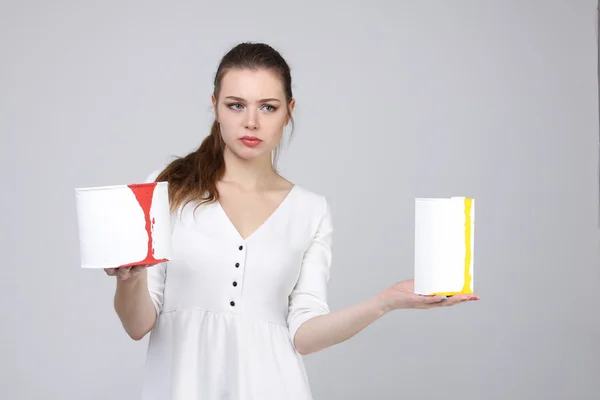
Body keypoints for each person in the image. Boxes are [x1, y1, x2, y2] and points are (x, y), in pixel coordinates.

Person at [104, 42, 479, 400]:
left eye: (267, 107)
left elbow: (304, 334)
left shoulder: (310, 210)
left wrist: (385, 302)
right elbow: (138, 324)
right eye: (236, 105)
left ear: (288, 111)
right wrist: (129, 276)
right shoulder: (167, 189)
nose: (251, 122)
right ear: (215, 106)